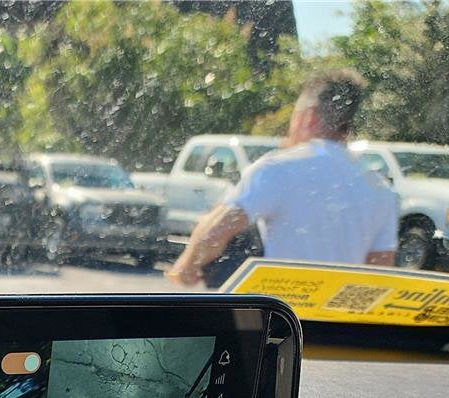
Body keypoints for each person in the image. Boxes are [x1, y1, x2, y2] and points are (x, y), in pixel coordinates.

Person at [167, 69, 398, 287]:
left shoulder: (278, 168)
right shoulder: (380, 188)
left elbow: (219, 227)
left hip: (281, 311)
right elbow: (379, 274)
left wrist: (187, 267)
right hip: (334, 314)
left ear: (308, 117)